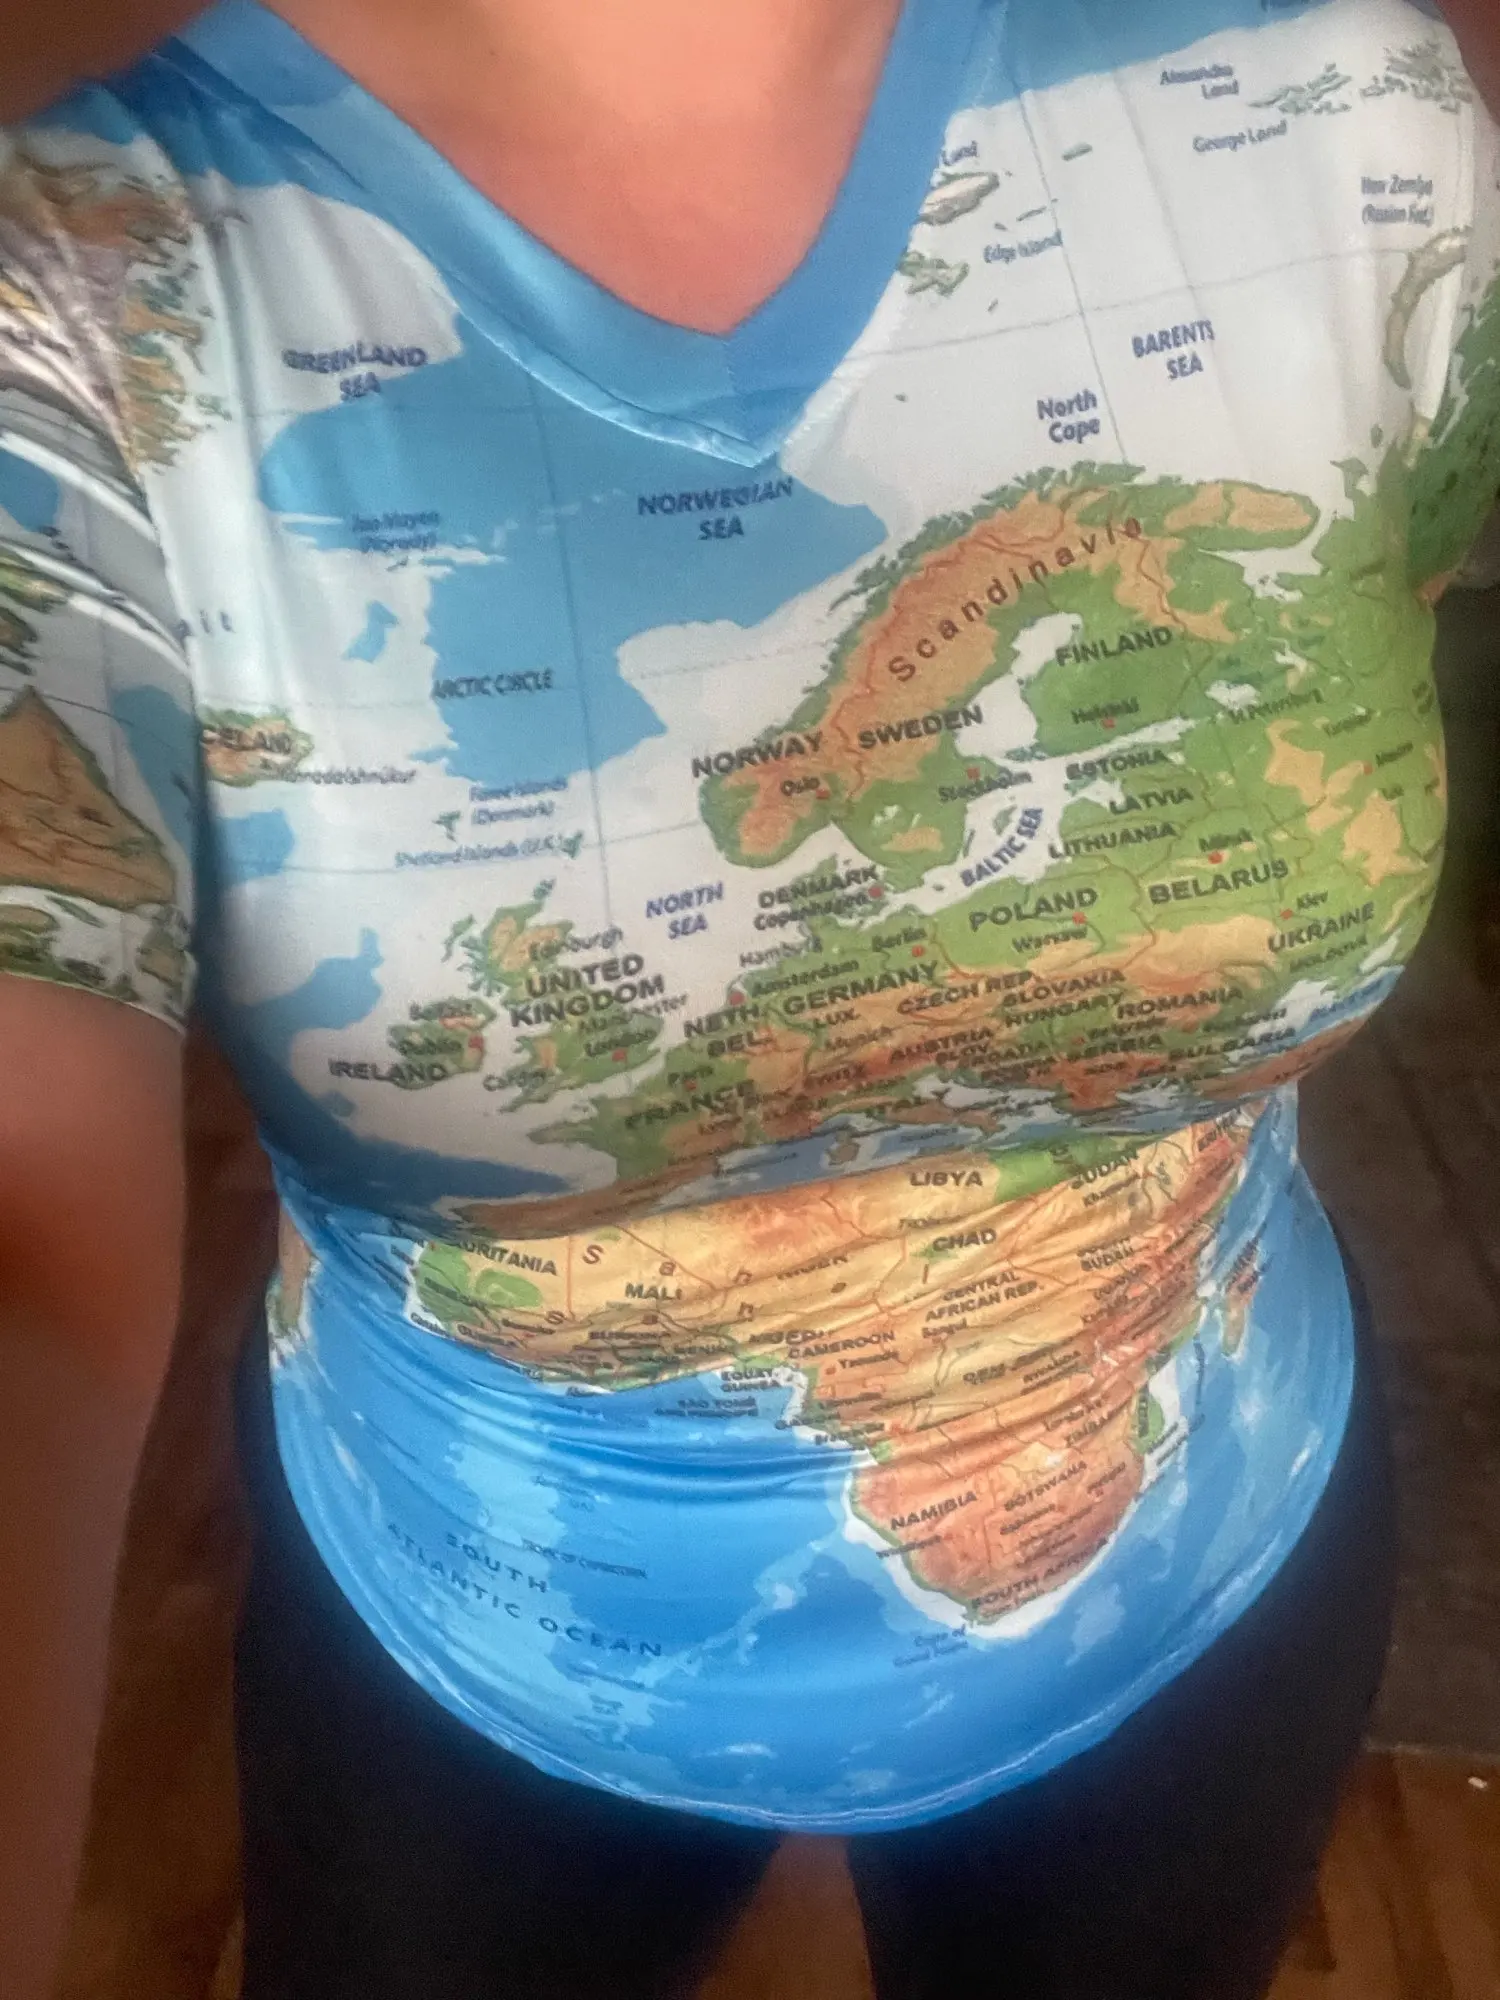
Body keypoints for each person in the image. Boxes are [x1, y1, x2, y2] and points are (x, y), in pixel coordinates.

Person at [4, 2, 1500, 1995]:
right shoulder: (82, 285)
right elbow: (27, 1249)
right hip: (483, 1645)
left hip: (1198, 1551)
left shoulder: (1338, 105)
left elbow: (1335, 661)